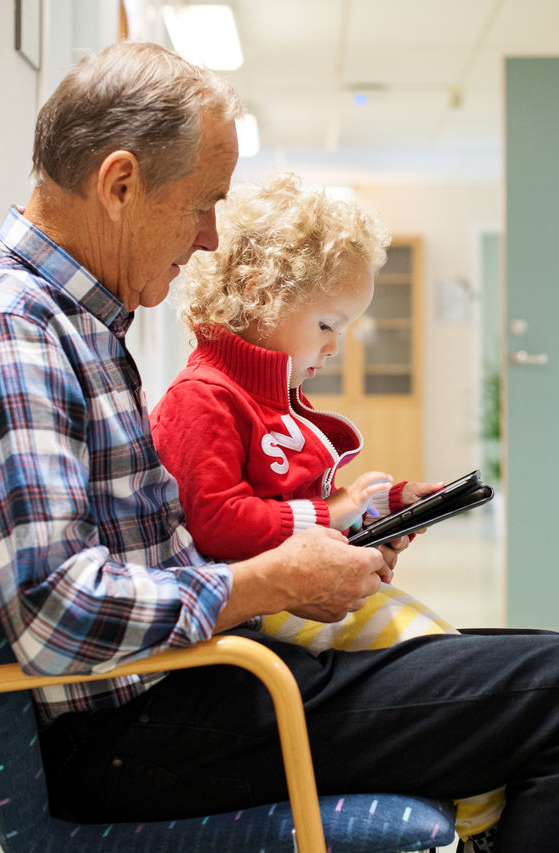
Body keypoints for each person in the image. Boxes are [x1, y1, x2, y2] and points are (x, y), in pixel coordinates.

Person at [0, 40, 559, 853]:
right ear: (120, 183)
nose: (212, 239)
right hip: (145, 728)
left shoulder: (68, 323)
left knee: (557, 669)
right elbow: (55, 611)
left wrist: (299, 559)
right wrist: (271, 580)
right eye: (201, 204)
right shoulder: (10, 329)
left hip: (195, 683)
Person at [149, 173, 505, 841]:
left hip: (293, 593)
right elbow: (220, 523)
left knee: (451, 662)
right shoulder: (204, 397)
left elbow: (299, 501)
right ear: (260, 295)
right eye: (326, 324)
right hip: (261, 607)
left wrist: (390, 506)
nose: (336, 346)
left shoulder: (269, 400)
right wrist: (333, 511)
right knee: (452, 674)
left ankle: (479, 804)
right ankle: (483, 823)